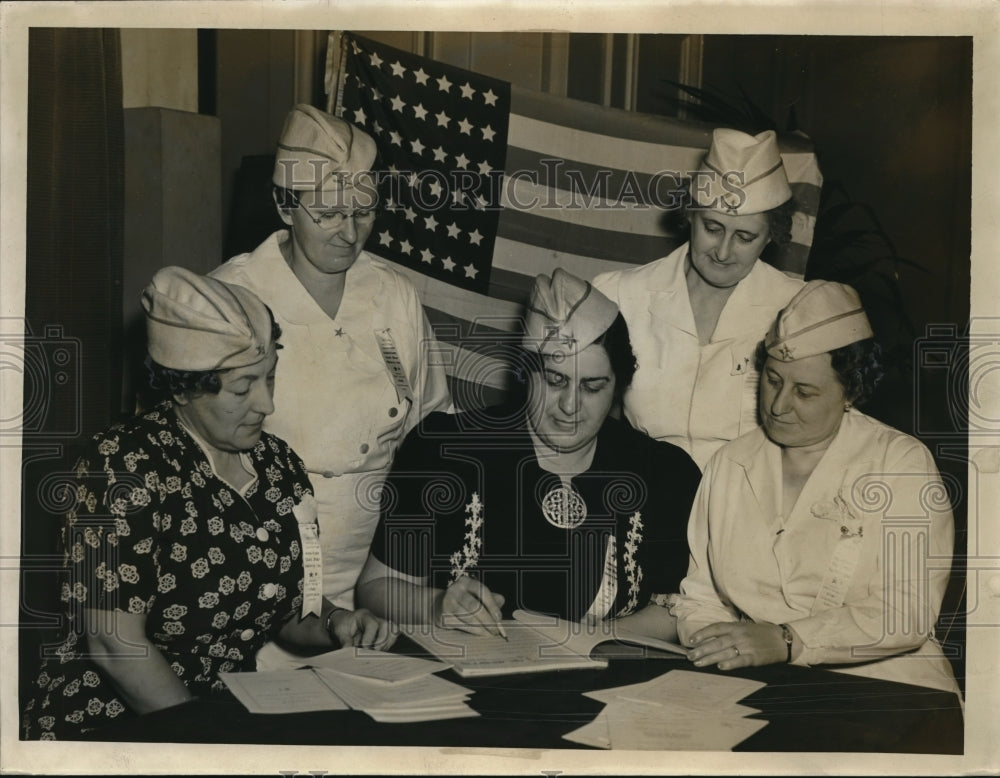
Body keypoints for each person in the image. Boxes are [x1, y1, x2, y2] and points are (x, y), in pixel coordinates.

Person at [21, 267, 396, 740]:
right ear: (182, 388)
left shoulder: (280, 467)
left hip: (227, 711)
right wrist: (207, 740)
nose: (266, 405)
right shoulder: (119, 466)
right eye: (242, 389)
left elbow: (287, 611)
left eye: (270, 379)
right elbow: (113, 644)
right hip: (111, 721)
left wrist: (338, 623)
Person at [356, 269, 701, 640]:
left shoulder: (664, 471)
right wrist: (435, 606)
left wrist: (593, 641)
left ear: (618, 385)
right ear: (526, 374)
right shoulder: (444, 450)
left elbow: (681, 606)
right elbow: (377, 587)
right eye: (555, 381)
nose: (570, 406)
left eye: (592, 387)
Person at [212, 104, 451, 610]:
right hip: (254, 580)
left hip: (380, 582)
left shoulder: (393, 295)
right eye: (327, 214)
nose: (349, 233)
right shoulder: (232, 297)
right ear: (284, 205)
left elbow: (432, 437)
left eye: (363, 212)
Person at [673, 280, 959, 694]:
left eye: (804, 392)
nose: (778, 405)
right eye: (772, 380)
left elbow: (905, 614)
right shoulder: (730, 464)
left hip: (887, 685)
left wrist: (788, 640)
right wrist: (715, 649)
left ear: (852, 391)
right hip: (761, 682)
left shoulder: (899, 463)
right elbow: (701, 599)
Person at [593, 128, 805, 471]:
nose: (723, 252)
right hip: (645, 492)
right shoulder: (620, 294)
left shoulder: (798, 307)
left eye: (745, 237)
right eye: (712, 227)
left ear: (771, 237)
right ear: (690, 214)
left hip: (749, 501)